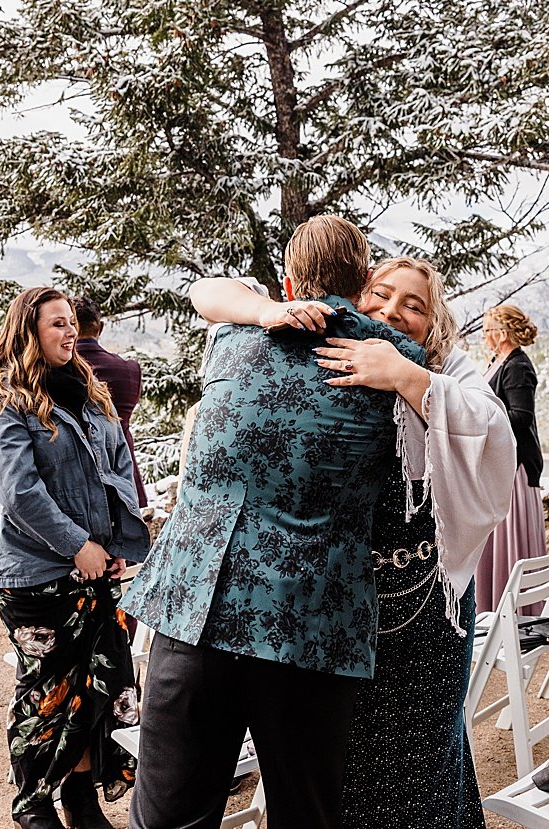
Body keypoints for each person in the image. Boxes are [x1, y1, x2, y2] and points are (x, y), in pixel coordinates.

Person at [187, 256, 517, 827]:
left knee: (422, 762)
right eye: (380, 295)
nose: (392, 311)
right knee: (344, 768)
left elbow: (494, 433)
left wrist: (404, 375)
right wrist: (268, 308)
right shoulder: (319, 345)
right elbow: (209, 293)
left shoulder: (446, 368)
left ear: (432, 320)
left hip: (424, 619)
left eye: (414, 305)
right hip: (340, 614)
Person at [121, 215, 425, 829]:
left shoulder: (231, 339)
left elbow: (206, 291)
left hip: (199, 608)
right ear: (365, 280)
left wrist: (260, 311)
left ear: (287, 281)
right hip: (316, 626)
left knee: (170, 814)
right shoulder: (398, 361)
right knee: (305, 814)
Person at [0, 286, 150, 829]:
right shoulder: (1, 399)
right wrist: (77, 545)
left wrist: (116, 545)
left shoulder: (89, 392)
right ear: (27, 331)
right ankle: (32, 803)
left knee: (101, 682)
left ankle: (80, 797)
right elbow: (17, 491)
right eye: (56, 325)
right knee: (49, 686)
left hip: (95, 564)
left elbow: (118, 467)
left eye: (72, 323)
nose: (69, 333)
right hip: (32, 572)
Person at [477, 303, 547, 611]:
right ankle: (492, 603)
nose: (485, 336)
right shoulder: (499, 360)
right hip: (499, 467)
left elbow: (521, 416)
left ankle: (516, 607)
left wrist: (481, 417)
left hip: (515, 469)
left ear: (503, 334)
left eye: (488, 330)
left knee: (509, 538)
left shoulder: (517, 366)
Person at [71, 297, 146, 506]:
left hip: (77, 471)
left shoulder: (60, 369)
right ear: (100, 327)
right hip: (123, 465)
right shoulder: (130, 369)